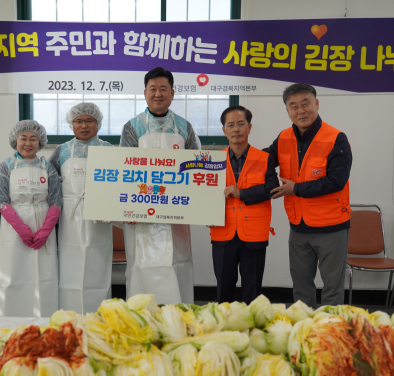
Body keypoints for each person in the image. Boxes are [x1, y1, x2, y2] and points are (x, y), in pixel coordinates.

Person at [119, 66, 201, 305]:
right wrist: (129, 208)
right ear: (144, 93)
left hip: (176, 210)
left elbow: (197, 167)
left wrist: (198, 205)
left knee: (178, 262)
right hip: (141, 211)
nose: (157, 94)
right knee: (140, 264)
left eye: (163, 89)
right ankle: (141, 315)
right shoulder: (132, 127)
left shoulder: (185, 127)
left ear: (172, 93)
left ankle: (180, 314)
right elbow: (125, 170)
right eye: (152, 89)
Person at [268, 83, 352, 309]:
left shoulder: (336, 138)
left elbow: (336, 181)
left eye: (305, 103)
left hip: (331, 227)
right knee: (301, 287)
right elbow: (264, 161)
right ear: (287, 111)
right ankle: (303, 335)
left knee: (332, 289)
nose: (300, 110)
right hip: (298, 227)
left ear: (316, 103)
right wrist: (236, 157)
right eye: (293, 106)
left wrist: (295, 189)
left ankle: (331, 337)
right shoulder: (284, 137)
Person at [0, 120, 62, 317]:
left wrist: (46, 229)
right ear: (16, 140)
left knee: (44, 274)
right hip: (14, 226)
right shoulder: (6, 167)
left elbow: (56, 200)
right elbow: (0, 200)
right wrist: (21, 228)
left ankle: (44, 319)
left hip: (42, 222)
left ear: (41, 142)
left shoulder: (48, 167)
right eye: (24, 138)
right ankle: (10, 319)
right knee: (14, 272)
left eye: (33, 139)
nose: (28, 143)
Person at [209, 106, 278, 304]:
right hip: (222, 232)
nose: (236, 129)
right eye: (230, 125)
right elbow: (203, 192)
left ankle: (252, 333)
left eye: (241, 124)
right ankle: (224, 332)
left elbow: (272, 189)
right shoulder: (213, 160)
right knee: (223, 290)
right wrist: (206, 214)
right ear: (224, 130)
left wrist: (242, 193)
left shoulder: (265, 158)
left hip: (254, 235)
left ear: (249, 127)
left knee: (253, 291)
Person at [49, 102, 114, 314]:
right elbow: (50, 182)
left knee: (98, 264)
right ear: (71, 124)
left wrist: (111, 209)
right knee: (70, 265)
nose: (84, 125)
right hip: (70, 215)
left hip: (100, 216)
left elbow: (120, 184)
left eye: (89, 120)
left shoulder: (109, 150)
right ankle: (68, 313)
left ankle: (99, 313)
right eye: (79, 121)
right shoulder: (62, 151)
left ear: (98, 123)